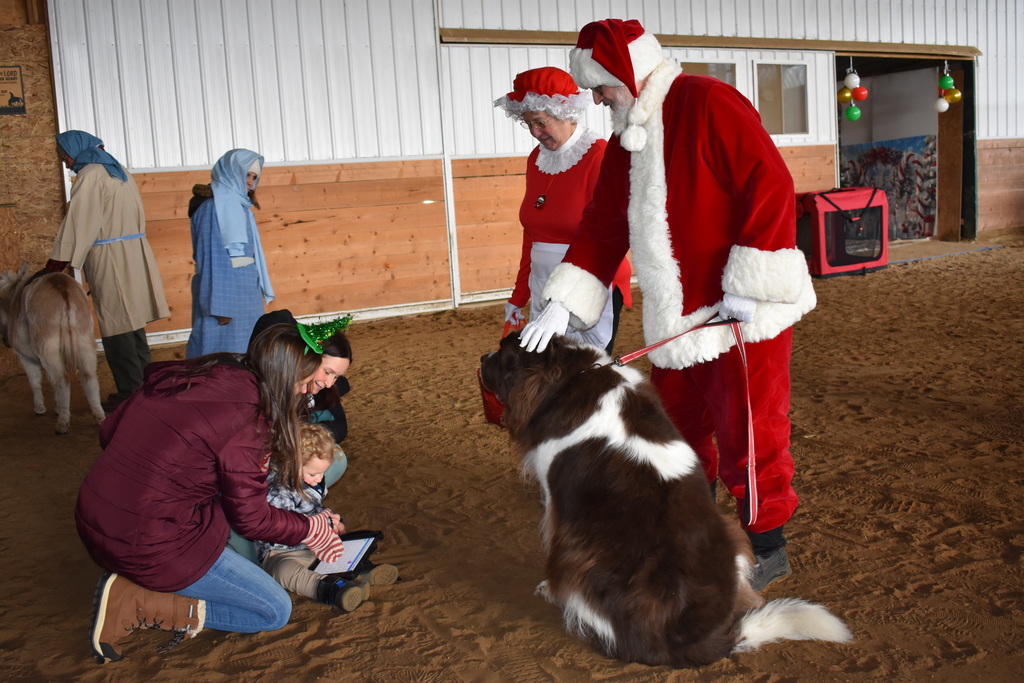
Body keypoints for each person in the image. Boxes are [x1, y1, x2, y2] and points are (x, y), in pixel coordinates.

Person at [519, 19, 817, 591]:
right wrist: (564, 301)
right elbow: (604, 224)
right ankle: (695, 530)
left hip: (740, 318)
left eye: (602, 87)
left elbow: (770, 185)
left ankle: (766, 543)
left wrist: (749, 283)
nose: (597, 98)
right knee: (676, 433)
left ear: (627, 73)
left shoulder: (710, 101)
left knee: (750, 435)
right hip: (678, 323)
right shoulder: (627, 135)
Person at [76, 323, 347, 663]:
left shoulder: (210, 370)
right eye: (304, 382)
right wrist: (310, 527)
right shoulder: (252, 415)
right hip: (147, 542)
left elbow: (108, 431)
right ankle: (137, 601)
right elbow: (251, 517)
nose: (309, 390)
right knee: (273, 611)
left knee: (222, 510)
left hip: (93, 514)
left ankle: (150, 581)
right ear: (288, 373)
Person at [493, 67, 631, 354]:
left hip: (591, 283)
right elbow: (532, 235)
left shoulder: (600, 155)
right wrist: (520, 295)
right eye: (527, 123)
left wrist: (568, 298)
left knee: (582, 376)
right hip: (543, 283)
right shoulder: (536, 159)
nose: (534, 132)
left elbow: (609, 234)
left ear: (565, 111)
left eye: (540, 122)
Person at [43, 130, 169, 411]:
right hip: (133, 254)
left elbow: (79, 222)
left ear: (76, 149)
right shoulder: (118, 171)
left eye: (64, 153)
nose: (64, 160)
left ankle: (130, 394)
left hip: (111, 257)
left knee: (117, 327)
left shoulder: (90, 175)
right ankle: (145, 387)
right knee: (133, 323)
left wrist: (54, 265)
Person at [224, 309, 354, 564]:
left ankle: (303, 516)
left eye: (336, 376)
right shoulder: (247, 393)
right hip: (243, 485)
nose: (329, 382)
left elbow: (340, 427)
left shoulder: (304, 389)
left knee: (329, 460)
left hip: (269, 474)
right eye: (327, 372)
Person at [256, 422, 398, 613]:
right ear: (290, 463)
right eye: (314, 473)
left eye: (322, 473)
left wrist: (334, 522)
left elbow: (315, 508)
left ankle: (361, 572)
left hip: (313, 548)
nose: (318, 479)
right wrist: (323, 524)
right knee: (282, 571)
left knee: (340, 551)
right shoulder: (278, 492)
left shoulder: (308, 483)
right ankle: (332, 588)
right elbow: (286, 527)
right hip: (282, 552)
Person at [186, 148, 275, 357]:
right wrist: (220, 306)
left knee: (245, 352)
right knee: (217, 356)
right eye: (247, 175)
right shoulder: (213, 208)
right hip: (225, 300)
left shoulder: (237, 205)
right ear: (231, 171)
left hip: (243, 296)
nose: (251, 182)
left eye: (254, 177)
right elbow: (212, 258)